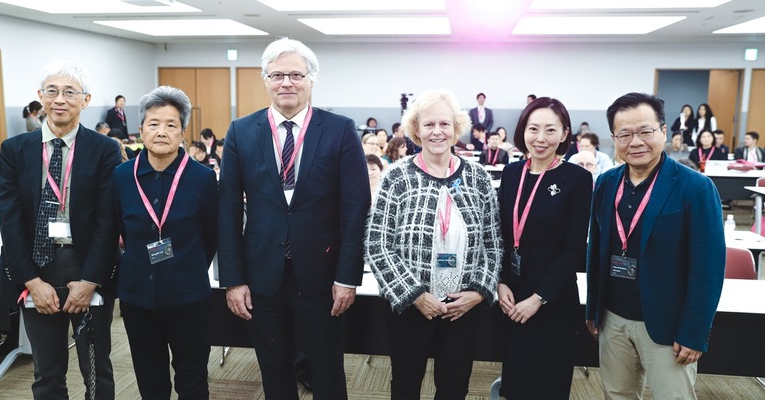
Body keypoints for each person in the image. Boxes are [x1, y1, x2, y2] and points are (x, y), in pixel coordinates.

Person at [217, 37, 370, 400]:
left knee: (327, 370)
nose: (287, 82)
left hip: (322, 275)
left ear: (311, 79)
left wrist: (348, 277)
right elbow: (226, 209)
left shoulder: (340, 129)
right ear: (266, 79)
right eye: (278, 75)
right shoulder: (241, 131)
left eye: (296, 75)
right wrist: (233, 280)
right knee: (274, 370)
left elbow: (356, 208)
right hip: (262, 276)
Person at [0, 60, 121, 400]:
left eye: (69, 92)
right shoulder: (14, 150)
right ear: (40, 96)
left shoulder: (106, 150)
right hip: (35, 272)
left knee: (97, 372)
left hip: (87, 271)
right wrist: (32, 282)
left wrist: (90, 280)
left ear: (85, 99)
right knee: (47, 374)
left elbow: (110, 222)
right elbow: (9, 220)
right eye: (51, 91)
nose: (59, 99)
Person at [586, 92, 725, 399]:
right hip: (614, 318)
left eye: (645, 131)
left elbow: (709, 267)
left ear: (664, 131)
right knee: (617, 394)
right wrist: (594, 308)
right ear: (614, 138)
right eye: (624, 134)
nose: (635, 142)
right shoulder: (606, 183)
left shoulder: (696, 188)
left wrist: (694, 332)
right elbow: (596, 249)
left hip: (669, 325)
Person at [365, 89, 500, 399]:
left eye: (444, 123)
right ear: (416, 129)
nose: (437, 132)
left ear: (456, 128)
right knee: (406, 385)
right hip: (412, 305)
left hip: (462, 306)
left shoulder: (479, 178)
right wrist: (415, 295)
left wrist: (478, 292)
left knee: (454, 388)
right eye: (428, 125)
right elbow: (378, 245)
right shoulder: (396, 177)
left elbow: (493, 245)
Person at [113, 86, 218, 399]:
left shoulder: (202, 177)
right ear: (141, 129)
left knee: (192, 377)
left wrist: (188, 267)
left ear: (183, 132)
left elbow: (211, 235)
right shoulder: (121, 176)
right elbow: (119, 229)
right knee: (150, 379)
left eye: (171, 125)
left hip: (189, 297)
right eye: (154, 124)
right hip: (137, 297)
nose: (161, 132)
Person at [496, 97, 592, 399]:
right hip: (512, 293)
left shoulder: (578, 179)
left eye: (550, 130)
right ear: (523, 130)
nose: (540, 138)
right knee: (515, 380)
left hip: (553, 297)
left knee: (547, 383)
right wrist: (499, 282)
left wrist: (538, 299)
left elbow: (574, 248)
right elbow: (499, 234)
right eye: (533, 128)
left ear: (564, 134)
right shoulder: (511, 173)